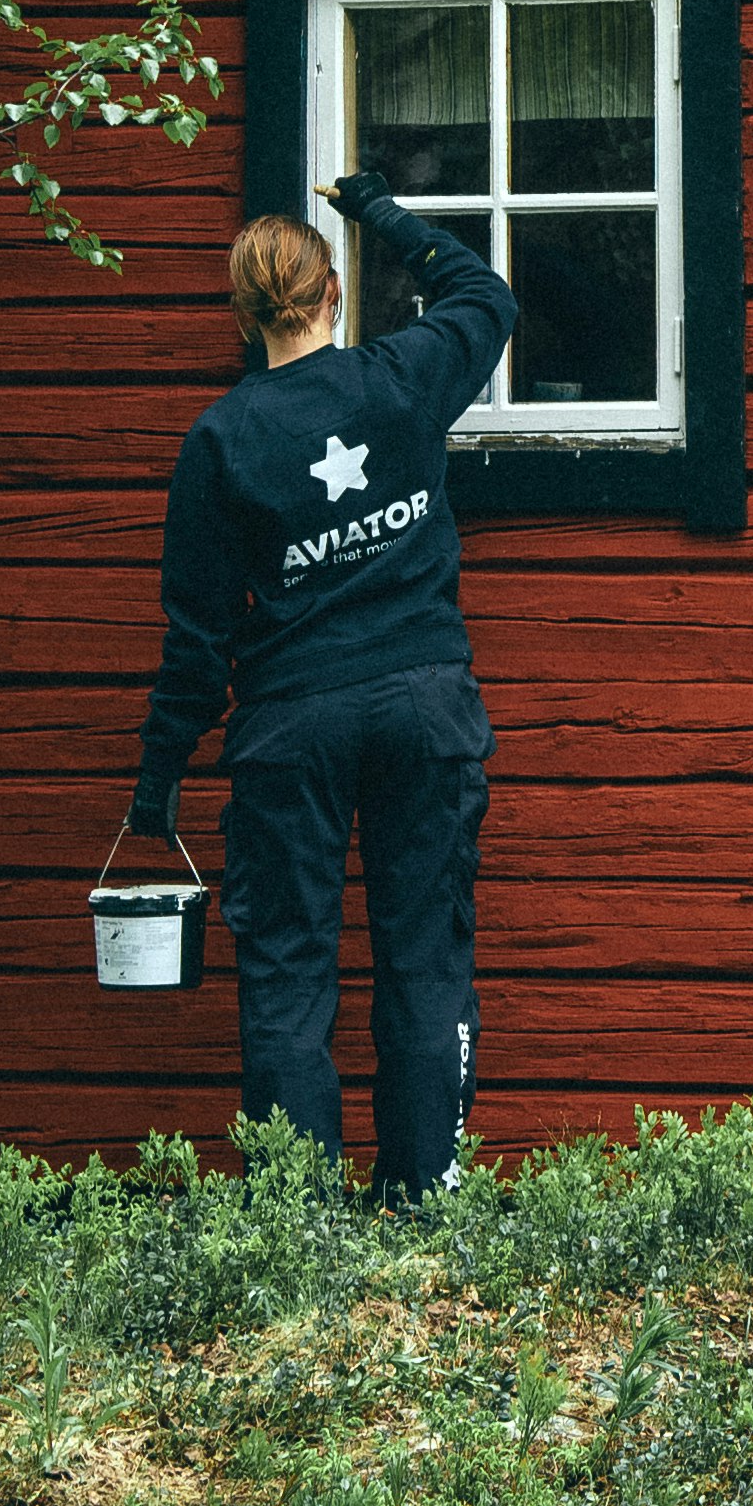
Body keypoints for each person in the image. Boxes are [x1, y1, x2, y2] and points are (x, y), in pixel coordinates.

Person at [129, 174, 516, 1204]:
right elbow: (486, 296)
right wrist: (381, 212)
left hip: (289, 728)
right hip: (424, 711)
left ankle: (298, 1224)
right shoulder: (401, 378)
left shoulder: (222, 441)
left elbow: (196, 639)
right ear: (334, 292)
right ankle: (423, 1199)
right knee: (423, 959)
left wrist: (156, 780)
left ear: (242, 312)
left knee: (288, 972)